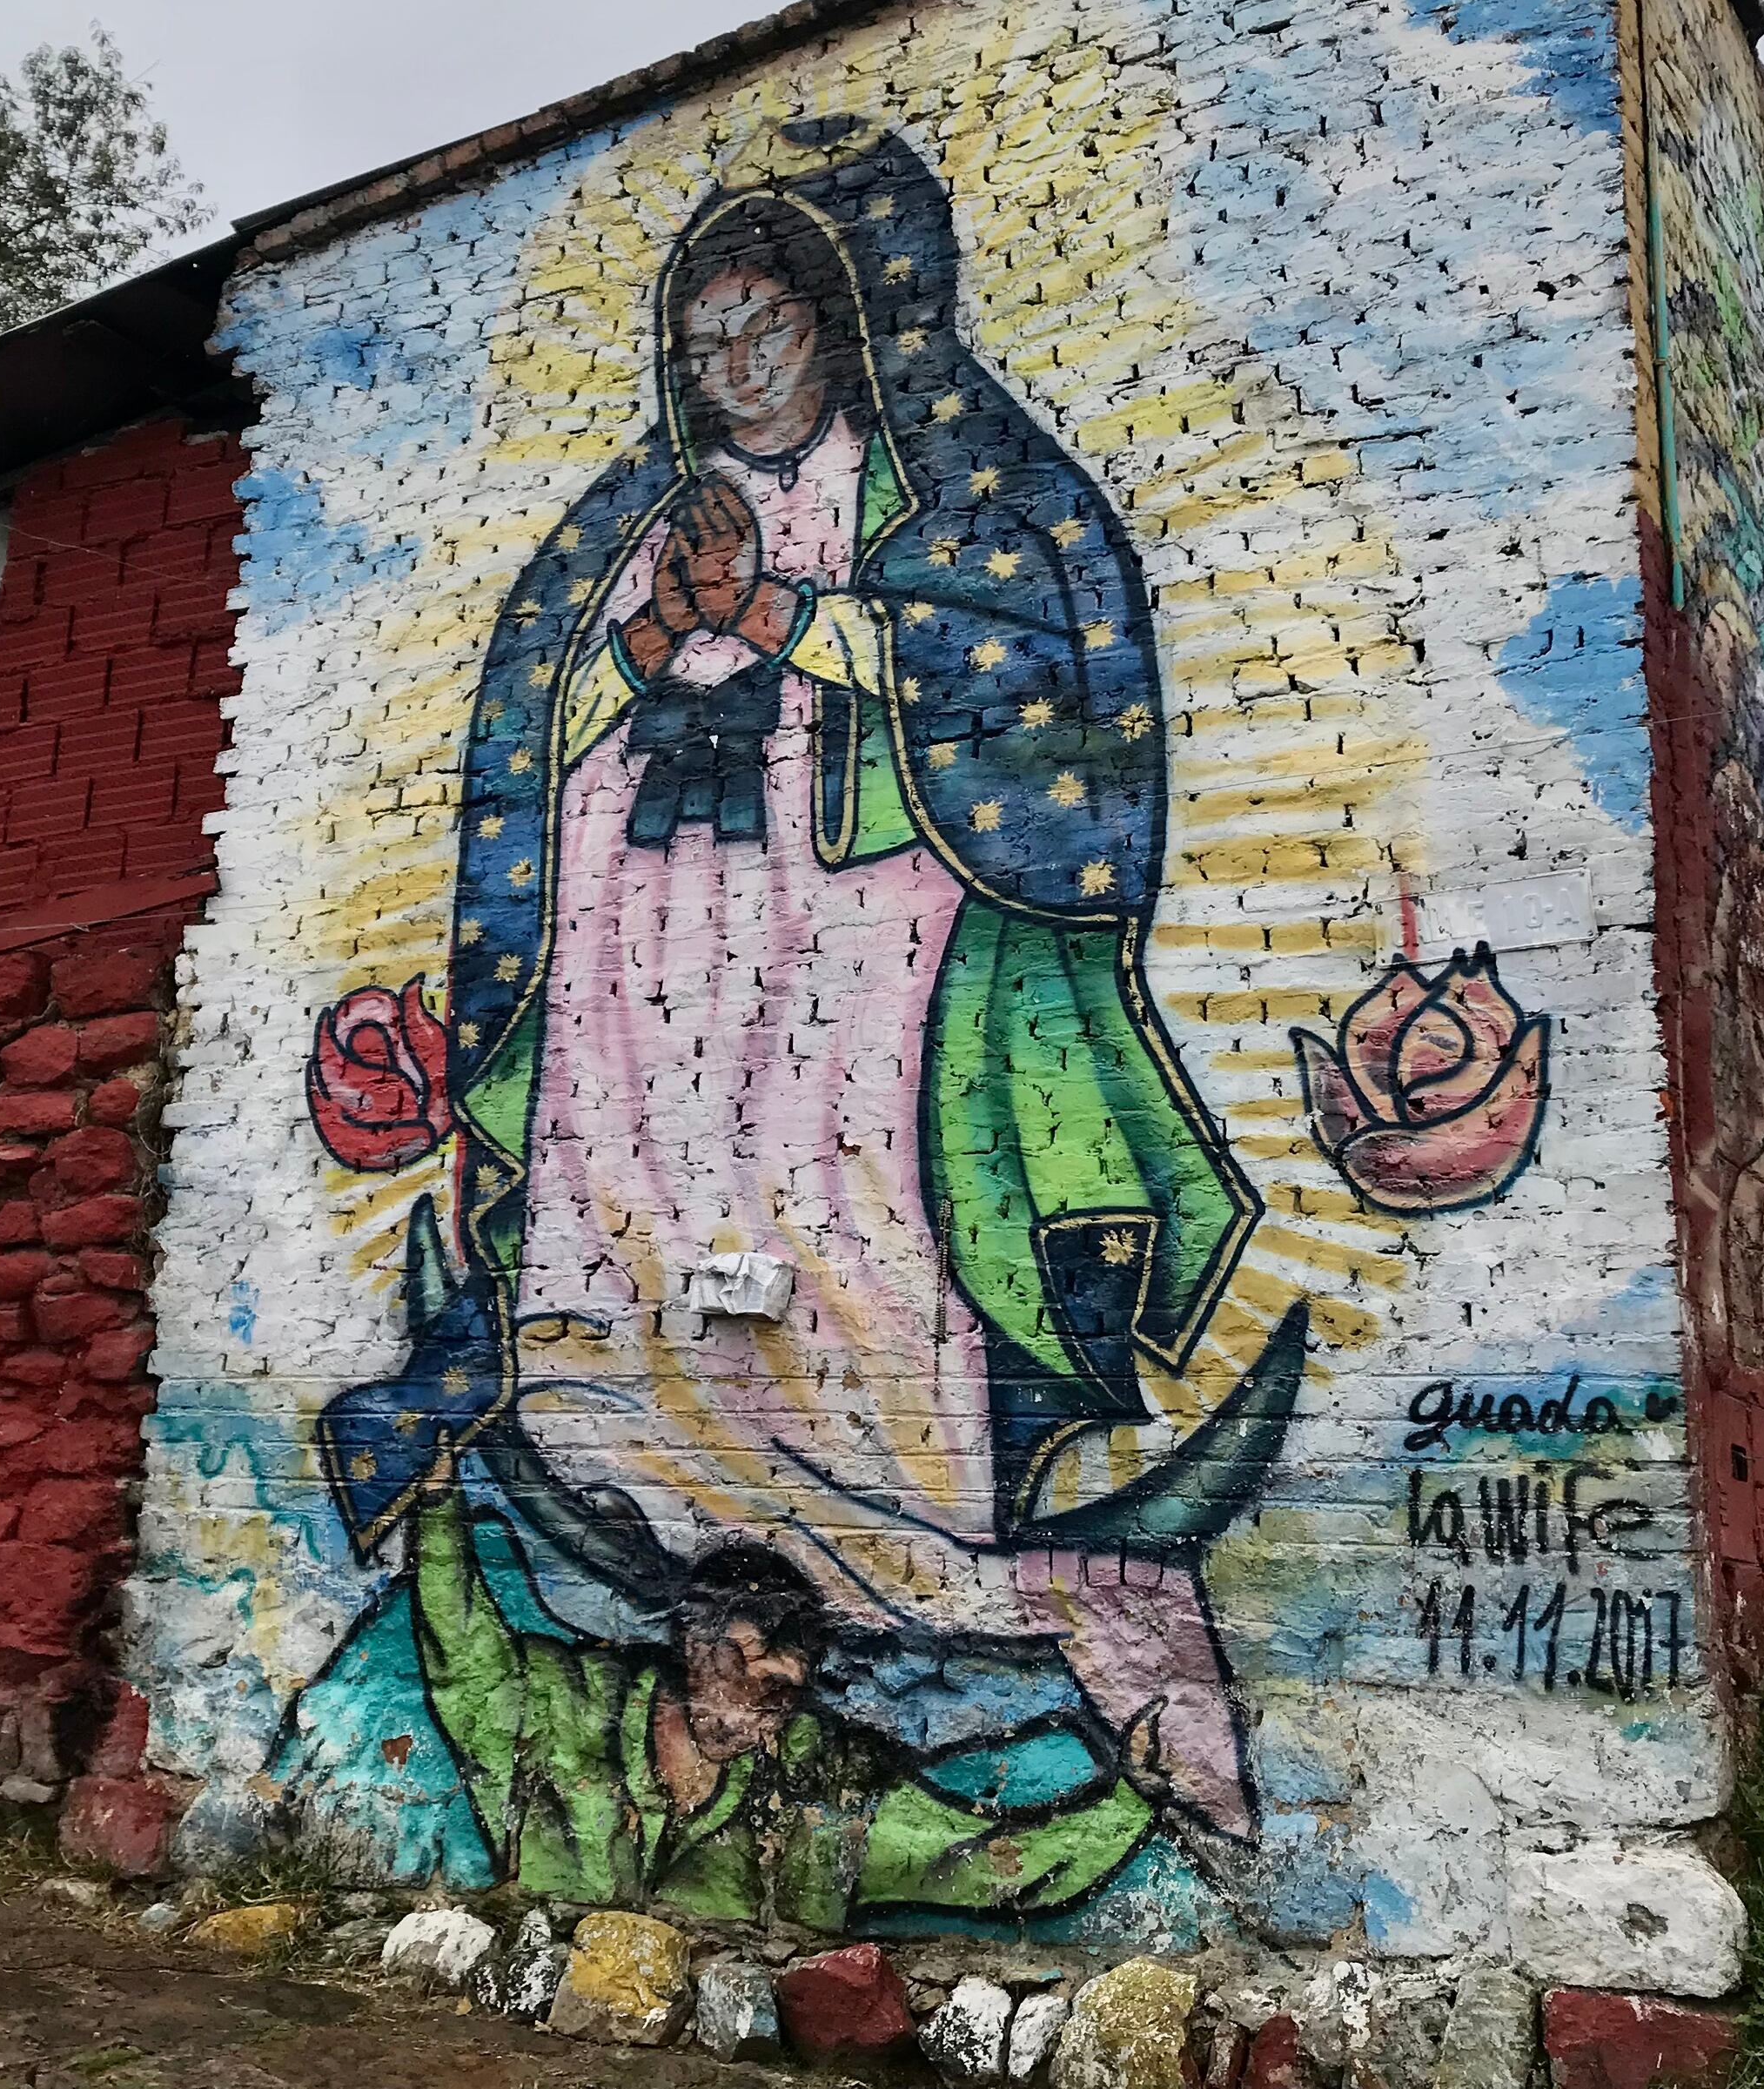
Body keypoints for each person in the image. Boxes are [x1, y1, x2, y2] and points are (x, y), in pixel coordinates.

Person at [368, 118, 1263, 1840]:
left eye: (762, 331)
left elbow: (998, 682)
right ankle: (647, 1511)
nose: (734, 372)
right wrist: (657, 629)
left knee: (848, 1229)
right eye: (702, 344)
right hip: (636, 952)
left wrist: (776, 615)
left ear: (840, 326)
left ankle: (909, 1559)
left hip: (852, 938)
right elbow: (546, 724)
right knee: (631, 1234)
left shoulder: (939, 502)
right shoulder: (639, 521)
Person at [402, 1488, 1162, 1927]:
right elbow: (462, 1646)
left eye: (784, 1693)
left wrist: (1135, 1793)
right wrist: (436, 1493)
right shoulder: (564, 1709)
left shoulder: (824, 1783)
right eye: (748, 1669)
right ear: (695, 1643)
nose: (762, 1707)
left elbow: (971, 1860)